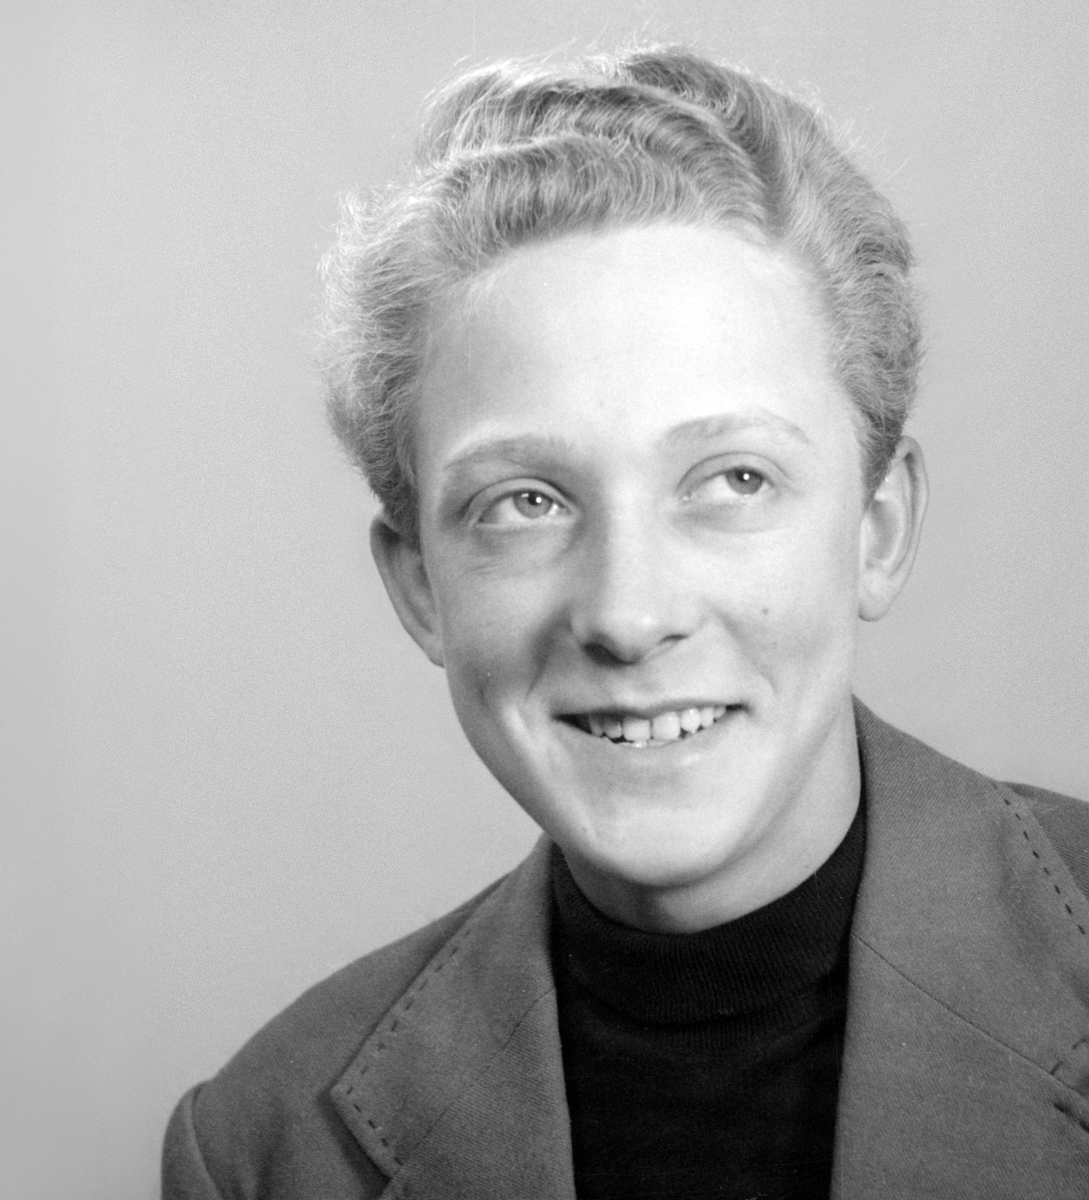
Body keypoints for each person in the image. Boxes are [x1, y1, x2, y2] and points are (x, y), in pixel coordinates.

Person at [162, 45, 1089, 1199]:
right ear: (419, 586)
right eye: (525, 503)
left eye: (734, 480)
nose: (629, 614)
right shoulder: (261, 1150)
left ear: (877, 528)